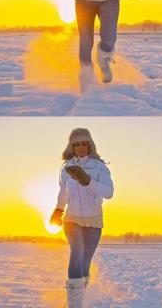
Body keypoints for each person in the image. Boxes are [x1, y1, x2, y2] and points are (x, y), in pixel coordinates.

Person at [49, 128, 114, 308]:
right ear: (72, 146)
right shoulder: (67, 167)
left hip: (94, 220)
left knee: (85, 259)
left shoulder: (99, 167)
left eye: (83, 143)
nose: (80, 147)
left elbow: (109, 193)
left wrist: (88, 181)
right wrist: (58, 210)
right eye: (76, 144)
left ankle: (80, 298)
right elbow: (64, 191)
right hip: (72, 217)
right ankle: (73, 304)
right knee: (76, 252)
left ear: (89, 144)